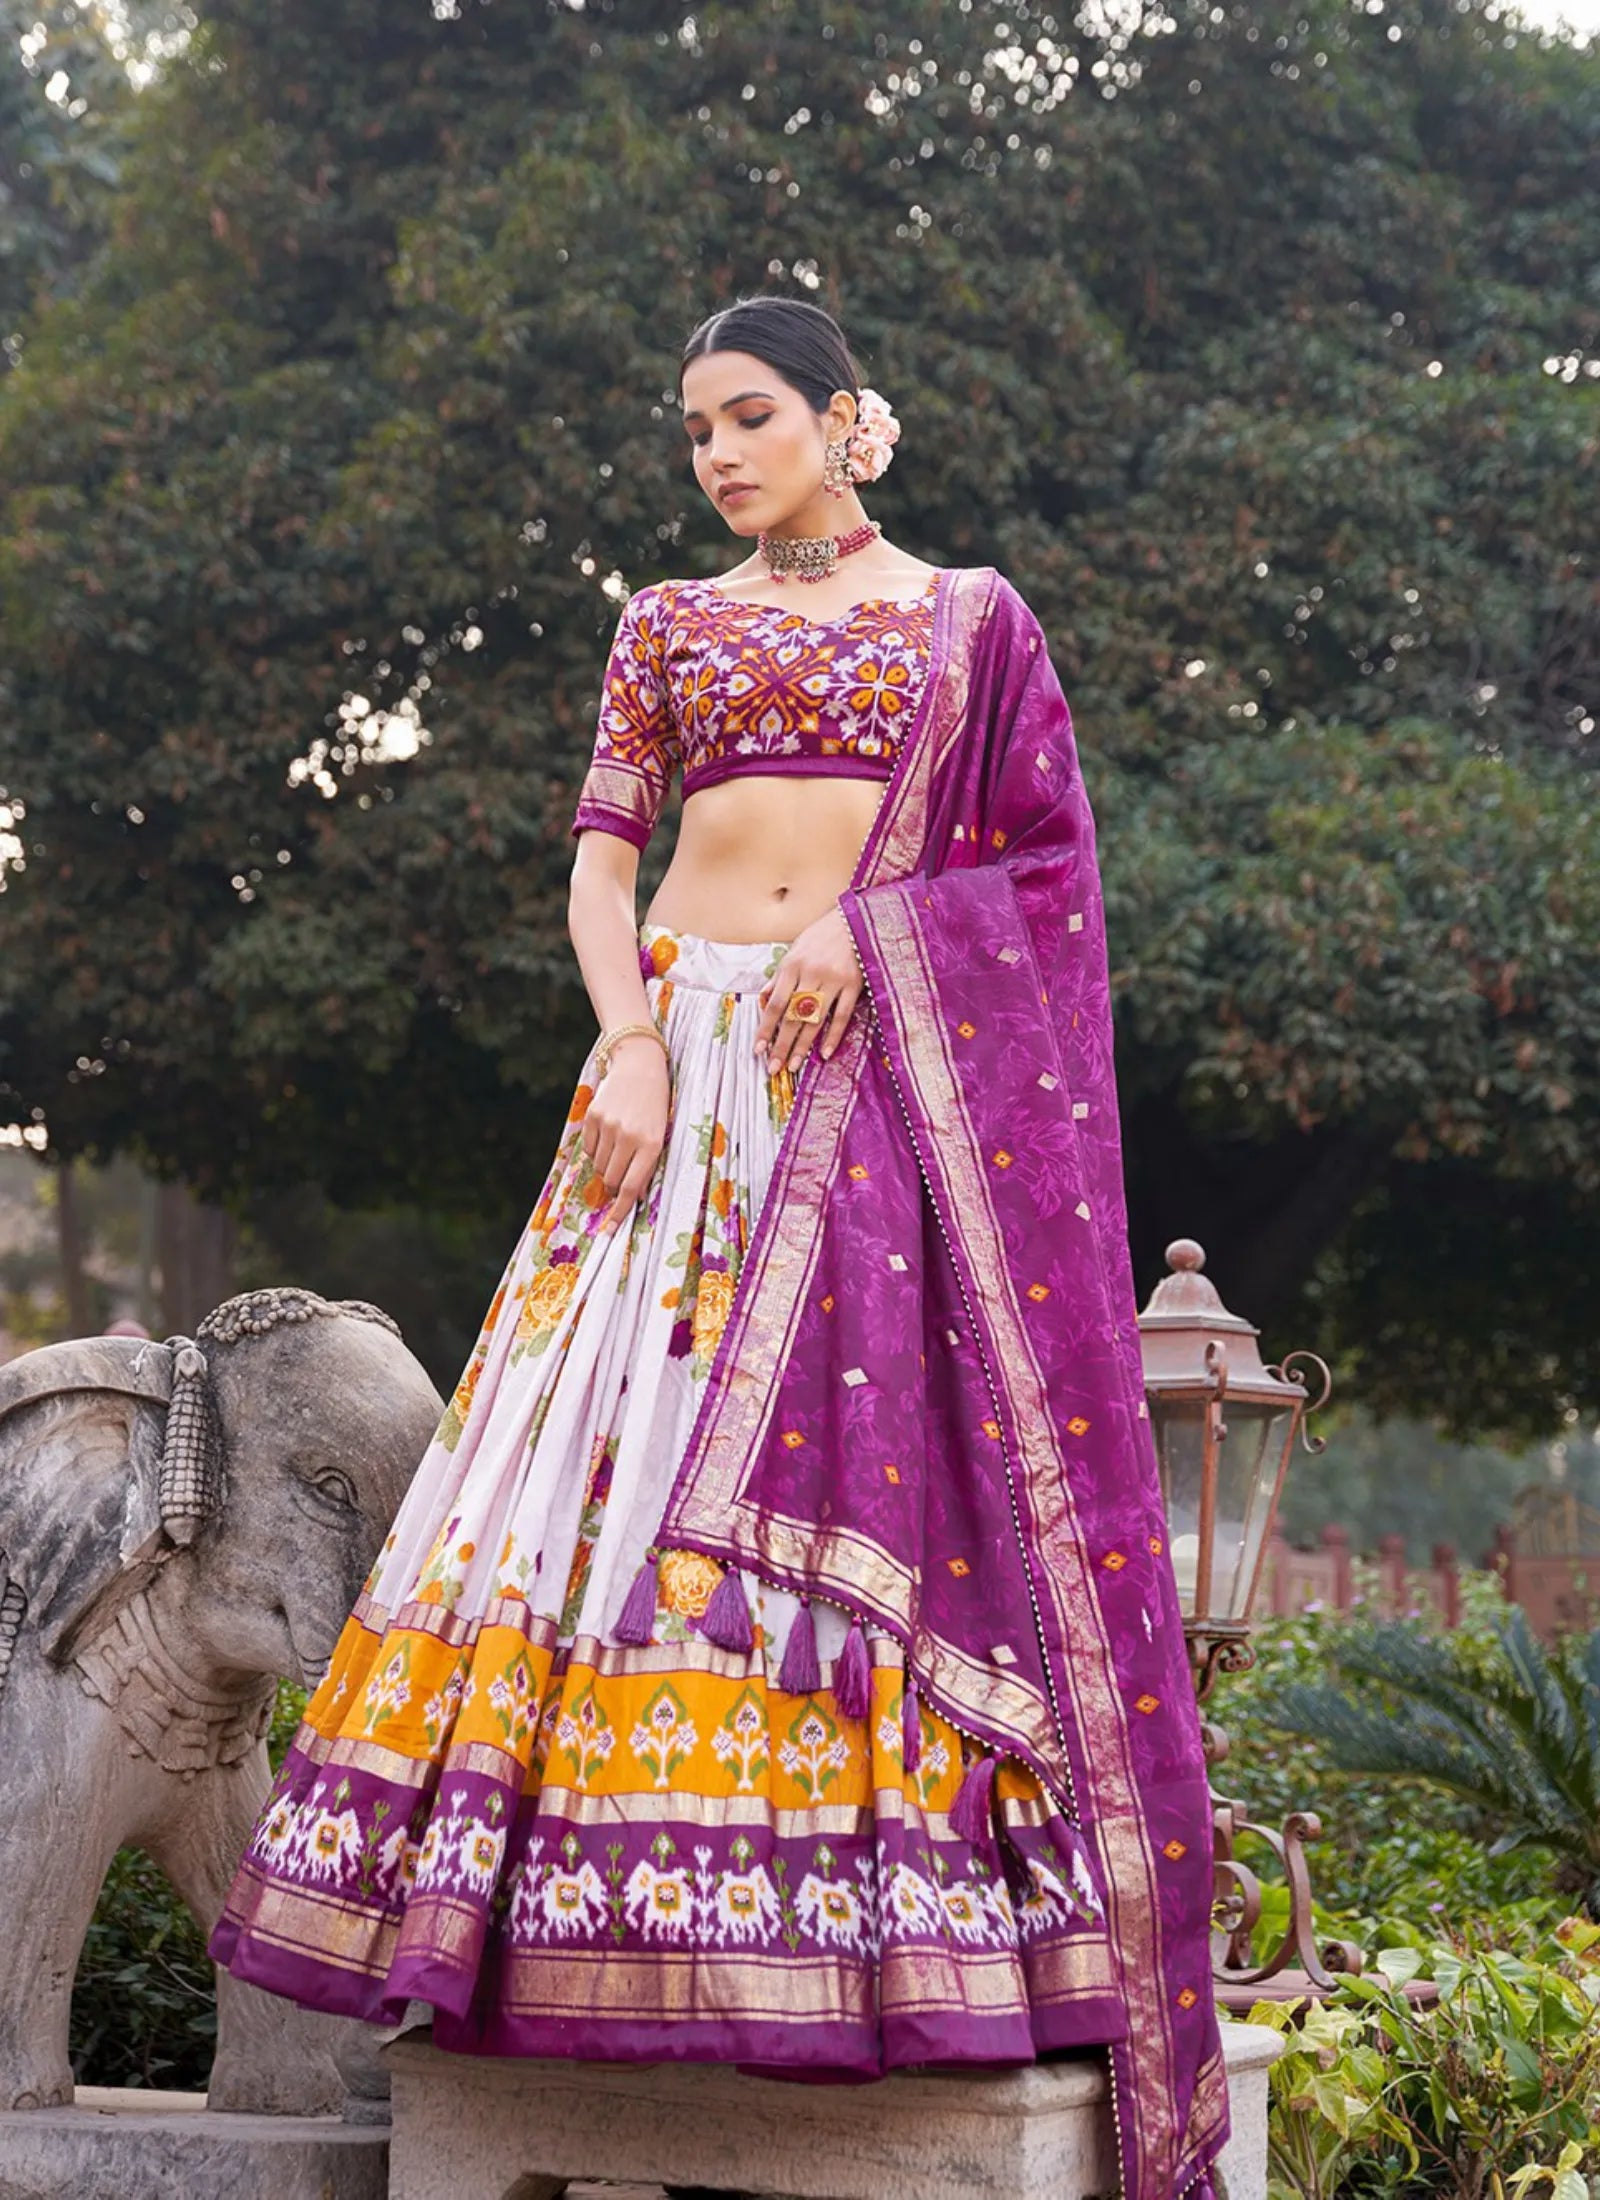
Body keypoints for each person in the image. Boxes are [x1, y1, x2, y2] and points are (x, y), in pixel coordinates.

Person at [211, 296, 1227, 2200]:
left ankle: (842, 1948)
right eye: (695, 432)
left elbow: (1042, 872)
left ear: (849, 420)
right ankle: (567, 1938)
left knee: (856, 1477)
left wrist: (879, 929)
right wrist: (630, 1041)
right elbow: (603, 862)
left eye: (751, 416)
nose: (721, 455)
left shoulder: (971, 624)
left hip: (859, 1090)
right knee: (592, 1469)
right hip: (671, 1079)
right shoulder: (666, 623)